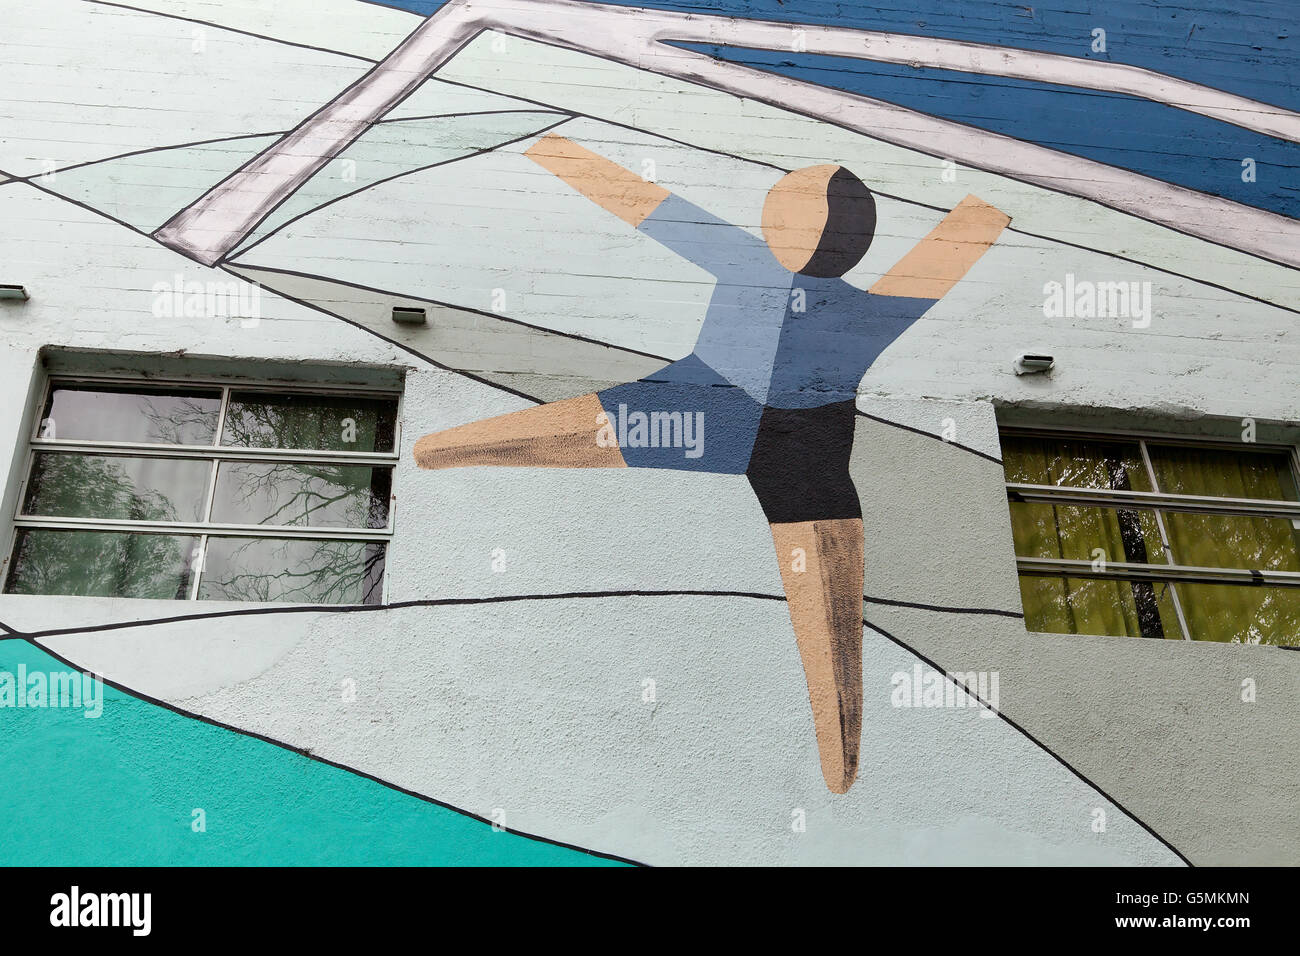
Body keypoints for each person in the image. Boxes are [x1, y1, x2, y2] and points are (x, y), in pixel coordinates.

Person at [414, 133, 1010, 794]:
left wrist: (557, 153)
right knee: (829, 622)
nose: (774, 215)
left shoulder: (768, 270)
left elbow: (648, 205)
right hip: (764, 428)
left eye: (787, 209)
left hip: (725, 416)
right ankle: (840, 760)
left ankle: (840, 758)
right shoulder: (864, 310)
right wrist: (985, 206)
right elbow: (945, 253)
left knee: (830, 621)